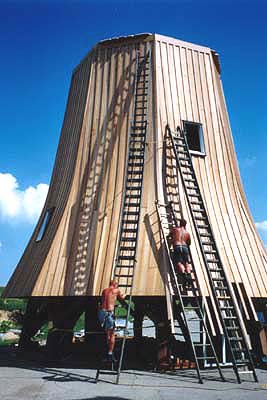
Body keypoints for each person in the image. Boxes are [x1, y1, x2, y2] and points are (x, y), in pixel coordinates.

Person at [98, 280, 126, 361]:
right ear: (115, 285)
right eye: (117, 285)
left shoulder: (104, 291)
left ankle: (108, 348)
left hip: (101, 313)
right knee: (112, 334)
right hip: (109, 313)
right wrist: (125, 294)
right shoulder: (116, 290)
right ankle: (110, 353)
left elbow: (104, 301)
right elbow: (122, 298)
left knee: (107, 333)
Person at [171, 219, 192, 287]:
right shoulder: (187, 233)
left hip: (177, 246)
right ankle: (189, 275)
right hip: (185, 247)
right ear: (185, 225)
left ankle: (184, 275)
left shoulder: (175, 229)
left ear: (180, 223)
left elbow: (170, 234)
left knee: (179, 262)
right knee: (186, 263)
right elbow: (189, 243)